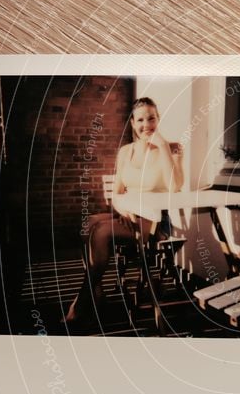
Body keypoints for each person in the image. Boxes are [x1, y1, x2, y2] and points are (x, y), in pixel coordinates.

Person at [64, 97, 184, 325]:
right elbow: (117, 193)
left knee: (100, 233)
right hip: (130, 215)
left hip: (154, 221)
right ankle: (96, 289)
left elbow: (175, 186)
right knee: (88, 223)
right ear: (132, 123)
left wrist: (164, 147)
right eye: (140, 119)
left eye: (151, 118)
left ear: (158, 119)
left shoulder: (172, 148)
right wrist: (125, 211)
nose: (146, 124)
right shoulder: (125, 152)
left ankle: (81, 302)